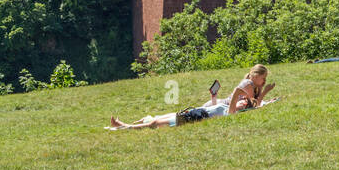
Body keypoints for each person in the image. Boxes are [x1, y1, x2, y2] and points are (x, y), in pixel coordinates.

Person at [107, 65, 274, 130]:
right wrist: (256, 98)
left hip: (201, 115)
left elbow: (251, 106)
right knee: (161, 119)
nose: (242, 101)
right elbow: (253, 105)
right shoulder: (244, 93)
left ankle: (125, 126)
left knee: (156, 123)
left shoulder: (234, 109)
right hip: (201, 112)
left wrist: (262, 96)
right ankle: (130, 124)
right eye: (263, 78)